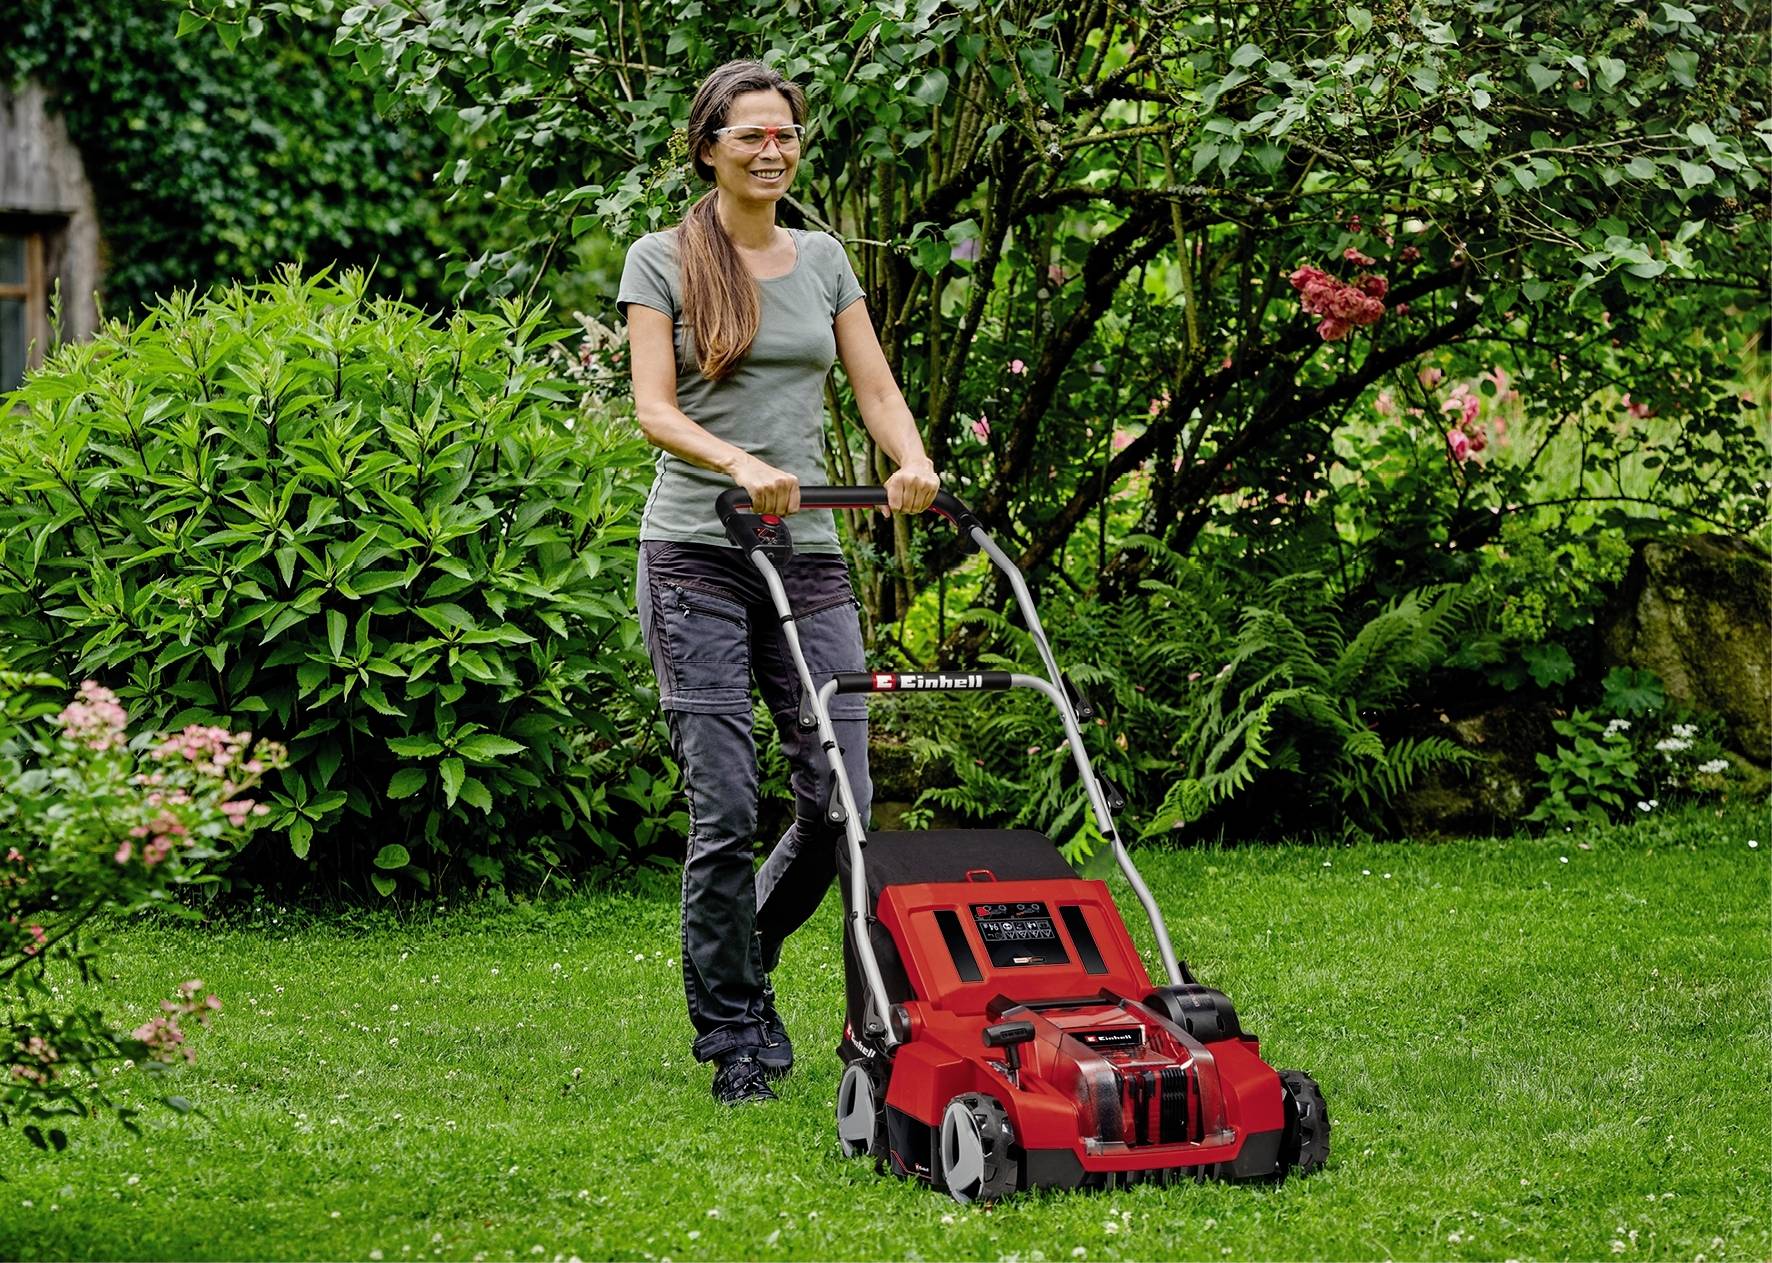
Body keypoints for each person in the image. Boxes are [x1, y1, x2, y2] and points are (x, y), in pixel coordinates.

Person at [618, 60, 940, 1105]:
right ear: (707, 145)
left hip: (807, 558)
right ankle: (736, 1037)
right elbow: (656, 411)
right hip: (695, 556)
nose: (772, 150)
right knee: (722, 809)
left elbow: (875, 385)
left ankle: (743, 952)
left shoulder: (825, 259)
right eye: (751, 134)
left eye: (786, 135)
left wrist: (909, 458)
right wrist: (741, 464)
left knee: (840, 802)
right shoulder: (660, 259)